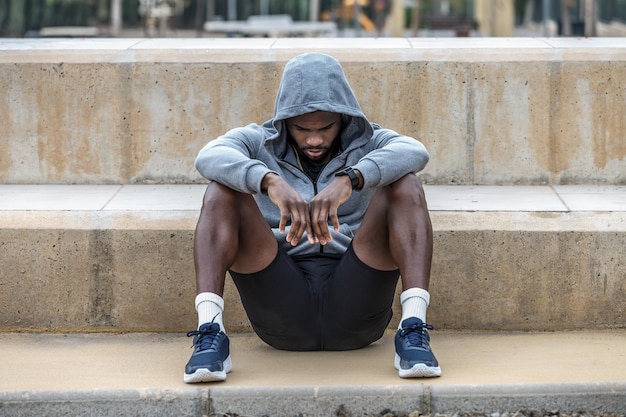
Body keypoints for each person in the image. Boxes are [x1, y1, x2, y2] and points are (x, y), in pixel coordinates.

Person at [184, 52, 440, 383]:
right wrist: (267, 180)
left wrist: (351, 178)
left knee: (405, 184)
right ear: (283, 122)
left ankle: (414, 327)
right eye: (302, 129)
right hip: (280, 301)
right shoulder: (257, 141)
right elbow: (209, 156)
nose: (314, 139)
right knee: (222, 191)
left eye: (326, 128)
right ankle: (209, 331)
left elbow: (415, 151)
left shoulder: (369, 141)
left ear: (344, 118)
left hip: (356, 295)